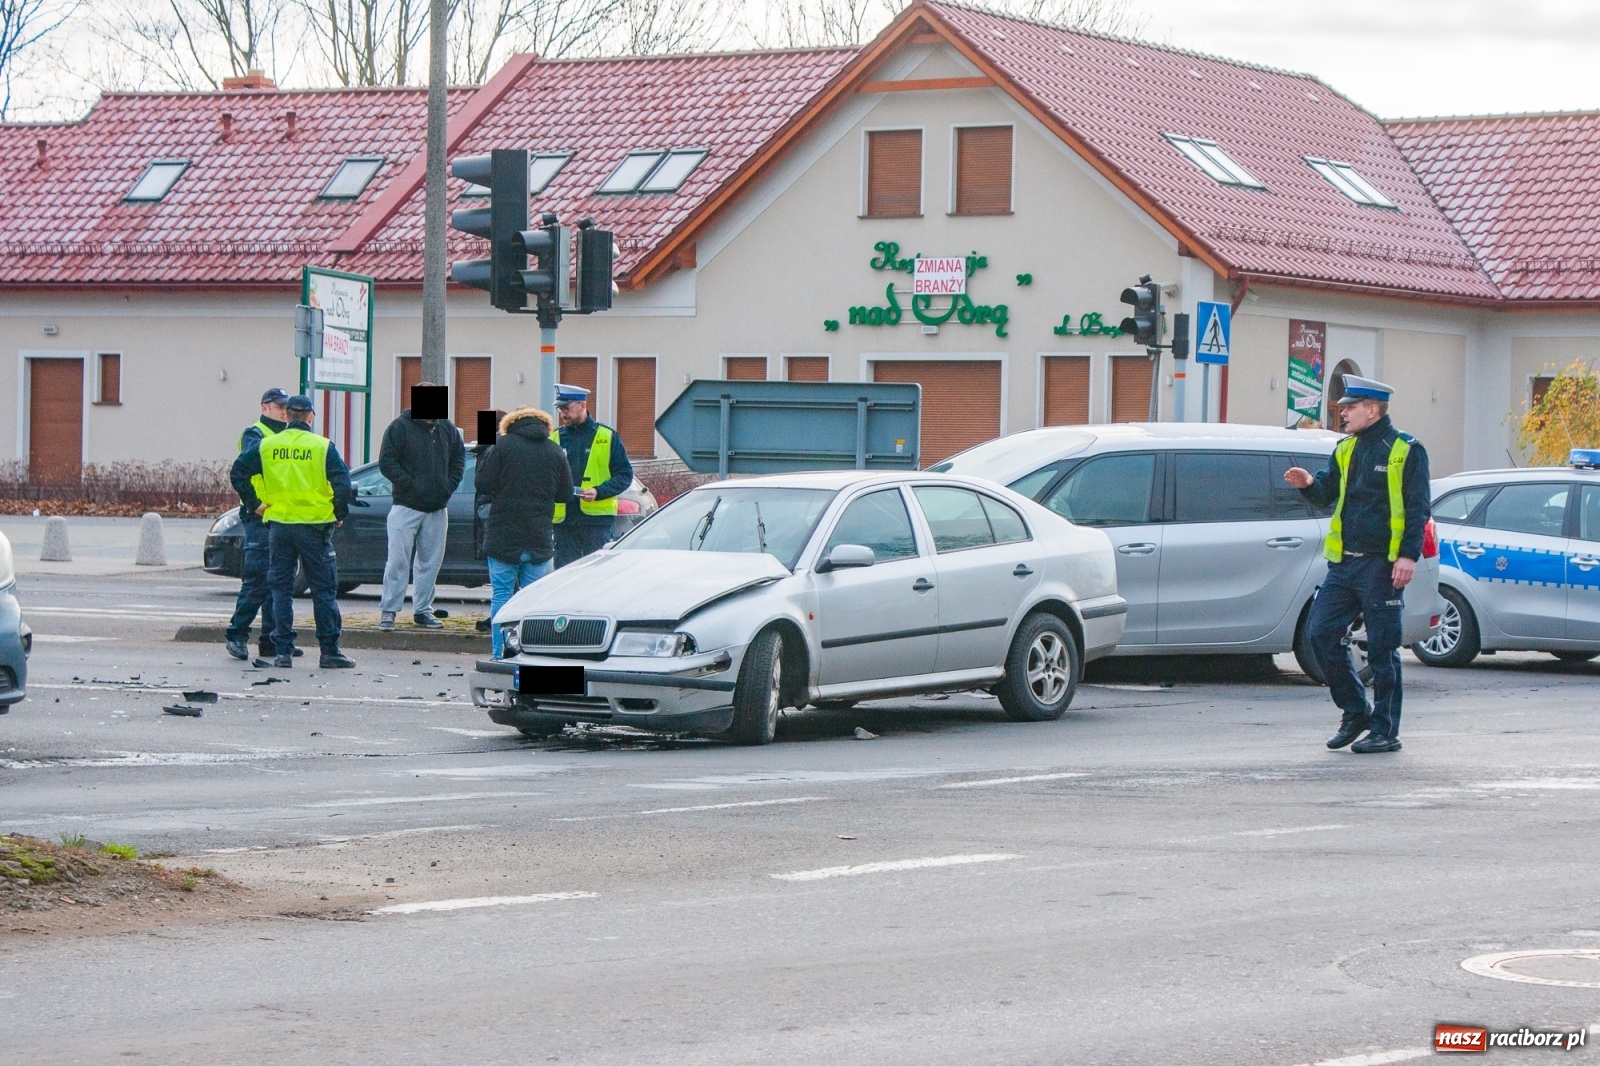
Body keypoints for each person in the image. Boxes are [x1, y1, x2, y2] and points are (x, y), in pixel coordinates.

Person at [1284, 375, 1430, 754]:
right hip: (1344, 565)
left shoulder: (1406, 450)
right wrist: (1307, 484)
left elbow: (1418, 509)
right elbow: (1326, 494)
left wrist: (1408, 556)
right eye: (1343, 407)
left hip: (1382, 567)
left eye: (1350, 407)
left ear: (1373, 409)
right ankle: (1355, 711)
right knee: (1320, 633)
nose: (1343, 412)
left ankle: (1385, 731)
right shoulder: (1345, 448)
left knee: (1383, 650)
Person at [231, 395, 356, 669]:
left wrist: (254, 503)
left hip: (280, 527)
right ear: (311, 417)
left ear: (286, 416)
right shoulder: (322, 446)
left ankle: (283, 651)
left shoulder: (268, 445)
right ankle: (329, 652)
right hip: (314, 528)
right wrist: (338, 513)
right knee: (323, 590)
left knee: (281, 589)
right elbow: (343, 483)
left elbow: (238, 472)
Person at [474, 407, 573, 656]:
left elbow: (482, 483)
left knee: (502, 595)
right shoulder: (554, 450)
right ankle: (528, 654)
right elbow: (565, 493)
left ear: (510, 424)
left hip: (503, 534)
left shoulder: (502, 446)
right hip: (539, 535)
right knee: (533, 600)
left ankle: (500, 653)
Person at [377, 383, 465, 631]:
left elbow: (459, 459)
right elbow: (387, 462)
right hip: (406, 506)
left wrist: (448, 486)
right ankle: (389, 610)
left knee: (430, 563)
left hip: (437, 507)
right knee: (397, 561)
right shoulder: (399, 428)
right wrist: (411, 485)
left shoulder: (447, 428)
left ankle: (423, 610)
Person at [224, 388, 293, 661]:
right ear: (265, 408)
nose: (284, 412)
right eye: (279, 407)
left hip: (280, 515)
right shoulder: (255, 434)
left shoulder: (286, 436)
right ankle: (237, 635)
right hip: (258, 515)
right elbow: (247, 469)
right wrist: (254, 503)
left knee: (277, 579)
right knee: (257, 578)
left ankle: (271, 640)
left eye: (286, 407)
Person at [552, 383, 633, 568]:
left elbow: (624, 475)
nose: (563, 414)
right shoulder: (555, 437)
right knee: (565, 574)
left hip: (596, 521)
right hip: (564, 521)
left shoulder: (607, 436)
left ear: (582, 405)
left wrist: (599, 491)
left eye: (567, 408)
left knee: (597, 573)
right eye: (560, 410)